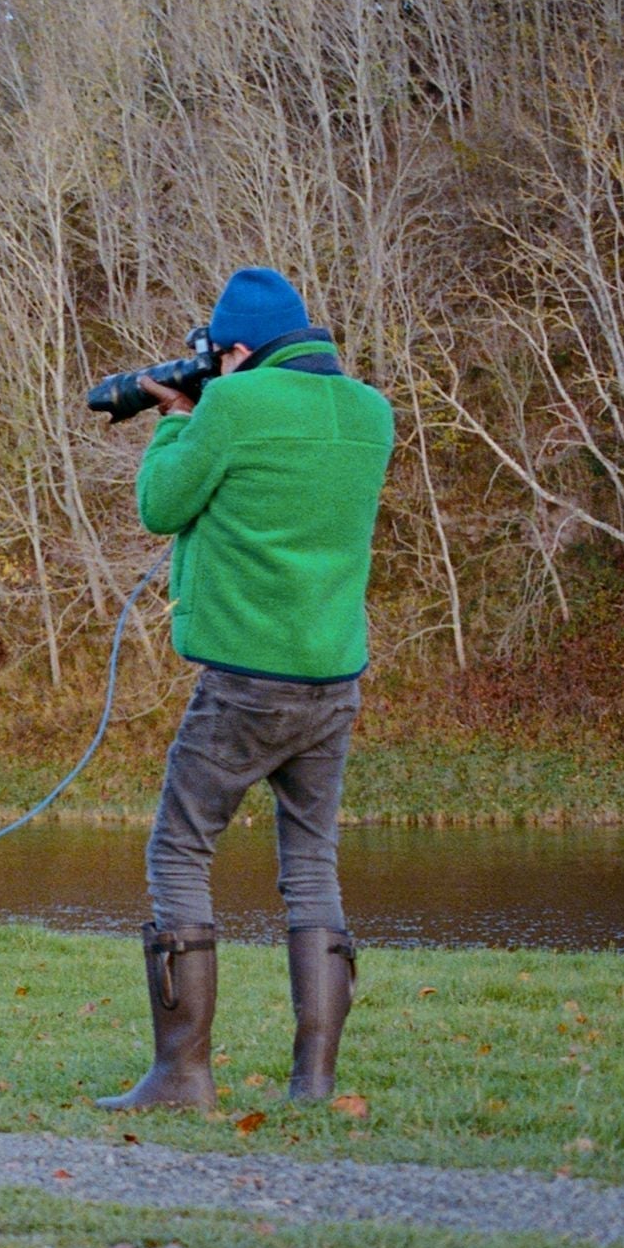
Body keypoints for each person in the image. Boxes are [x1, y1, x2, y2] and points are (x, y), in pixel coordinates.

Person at [101, 267, 394, 1113]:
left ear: (233, 351)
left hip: (245, 680)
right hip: (332, 676)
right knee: (311, 864)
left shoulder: (230, 406)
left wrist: (176, 423)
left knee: (179, 848)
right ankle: (315, 1081)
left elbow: (162, 505)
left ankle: (182, 1073)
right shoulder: (371, 413)